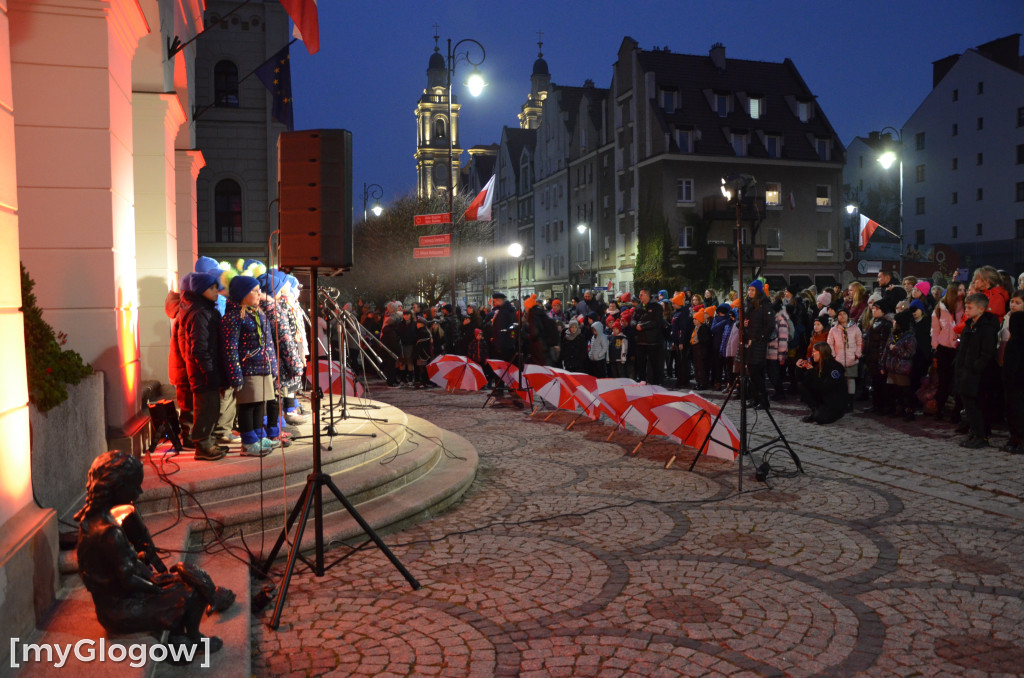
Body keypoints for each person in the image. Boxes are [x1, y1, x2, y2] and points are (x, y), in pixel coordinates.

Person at [75, 451, 231, 662]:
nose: (139, 491)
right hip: (119, 610)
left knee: (180, 578)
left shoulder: (91, 521)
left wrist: (153, 576)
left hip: (118, 600)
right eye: (134, 486)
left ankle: (179, 639)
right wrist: (156, 587)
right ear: (118, 487)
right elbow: (128, 580)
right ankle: (192, 640)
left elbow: (125, 569)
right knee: (188, 591)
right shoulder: (108, 532)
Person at [222, 275, 276, 456]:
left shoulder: (258, 313)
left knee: (260, 403)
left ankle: (259, 435)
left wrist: (273, 366)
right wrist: (235, 374)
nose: (259, 293)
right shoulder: (234, 316)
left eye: (259, 289)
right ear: (243, 294)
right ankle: (248, 441)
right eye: (254, 290)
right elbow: (230, 348)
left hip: (263, 366)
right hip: (247, 368)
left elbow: (269, 343)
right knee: (248, 405)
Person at [176, 272, 228, 460]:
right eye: (212, 288)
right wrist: (209, 371)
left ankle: (210, 441)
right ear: (200, 291)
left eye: (216, 287)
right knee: (206, 408)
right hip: (203, 371)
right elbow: (199, 347)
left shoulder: (206, 310)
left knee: (212, 408)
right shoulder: (199, 313)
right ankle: (203, 445)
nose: (216, 291)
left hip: (208, 369)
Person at [953, 292, 999, 448]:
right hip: (965, 372)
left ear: (981, 309)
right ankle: (974, 432)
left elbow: (987, 352)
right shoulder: (969, 325)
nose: (966, 310)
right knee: (969, 406)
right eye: (966, 307)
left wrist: (976, 367)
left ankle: (981, 435)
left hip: (976, 375)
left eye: (970, 307)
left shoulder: (986, 328)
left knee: (976, 406)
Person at [931, 282, 963, 419]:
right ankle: (939, 410)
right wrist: (936, 346)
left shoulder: (966, 306)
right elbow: (935, 329)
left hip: (959, 348)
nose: (963, 292)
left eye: (964, 289)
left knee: (958, 382)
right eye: (960, 289)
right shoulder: (940, 307)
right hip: (944, 349)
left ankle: (957, 412)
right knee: (943, 381)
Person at [796, 342, 846, 424]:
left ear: (822, 352)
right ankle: (816, 410)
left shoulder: (834, 367)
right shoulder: (817, 364)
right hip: (824, 399)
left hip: (834, 402)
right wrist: (799, 368)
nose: (812, 355)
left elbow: (825, 388)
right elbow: (801, 379)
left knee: (820, 418)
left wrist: (812, 372)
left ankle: (828, 413)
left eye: (814, 352)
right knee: (802, 386)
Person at [826, 308, 862, 412]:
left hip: (851, 359)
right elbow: (830, 343)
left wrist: (857, 354)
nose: (842, 316)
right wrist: (833, 356)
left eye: (844, 314)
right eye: (840, 314)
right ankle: (841, 401)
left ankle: (850, 402)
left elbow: (859, 342)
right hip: (838, 360)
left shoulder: (855, 328)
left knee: (850, 379)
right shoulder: (833, 329)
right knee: (839, 381)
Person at [1001, 291, 1024, 453]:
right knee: (1012, 408)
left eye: (1018, 302)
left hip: (1019, 375)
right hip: (1010, 374)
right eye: (1012, 301)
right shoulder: (1010, 318)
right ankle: (1015, 437)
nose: (1013, 305)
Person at [863, 299, 893, 414]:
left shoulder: (886, 324)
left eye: (876, 309)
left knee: (881, 383)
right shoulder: (873, 321)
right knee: (875, 383)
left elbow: (883, 344)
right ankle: (876, 405)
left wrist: (881, 360)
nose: (873, 311)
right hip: (872, 357)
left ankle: (882, 406)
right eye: (873, 309)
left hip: (879, 358)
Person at [634, 289, 665, 384]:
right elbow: (633, 319)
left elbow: (657, 322)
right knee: (641, 362)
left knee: (654, 362)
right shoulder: (638, 306)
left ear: (647, 295)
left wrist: (643, 326)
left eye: (641, 295)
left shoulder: (657, 306)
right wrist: (635, 325)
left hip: (652, 340)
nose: (639, 297)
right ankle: (642, 379)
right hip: (640, 340)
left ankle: (656, 381)